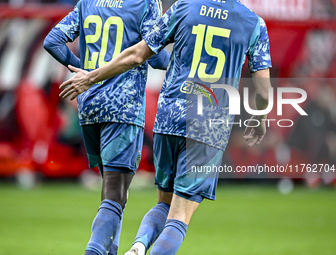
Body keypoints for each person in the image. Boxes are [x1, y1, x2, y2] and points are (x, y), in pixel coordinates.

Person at [58, 0, 272, 254]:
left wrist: (91, 77)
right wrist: (259, 120)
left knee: (164, 203)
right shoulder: (254, 23)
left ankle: (138, 246)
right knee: (180, 214)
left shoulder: (183, 7)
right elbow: (263, 92)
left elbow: (138, 54)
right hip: (208, 124)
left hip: (169, 118)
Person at [43, 0, 170, 254]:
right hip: (123, 107)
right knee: (115, 194)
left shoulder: (88, 1)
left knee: (111, 195)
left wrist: (83, 71)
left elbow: (52, 40)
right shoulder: (144, 3)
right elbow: (155, 58)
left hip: (89, 105)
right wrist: (178, 62)